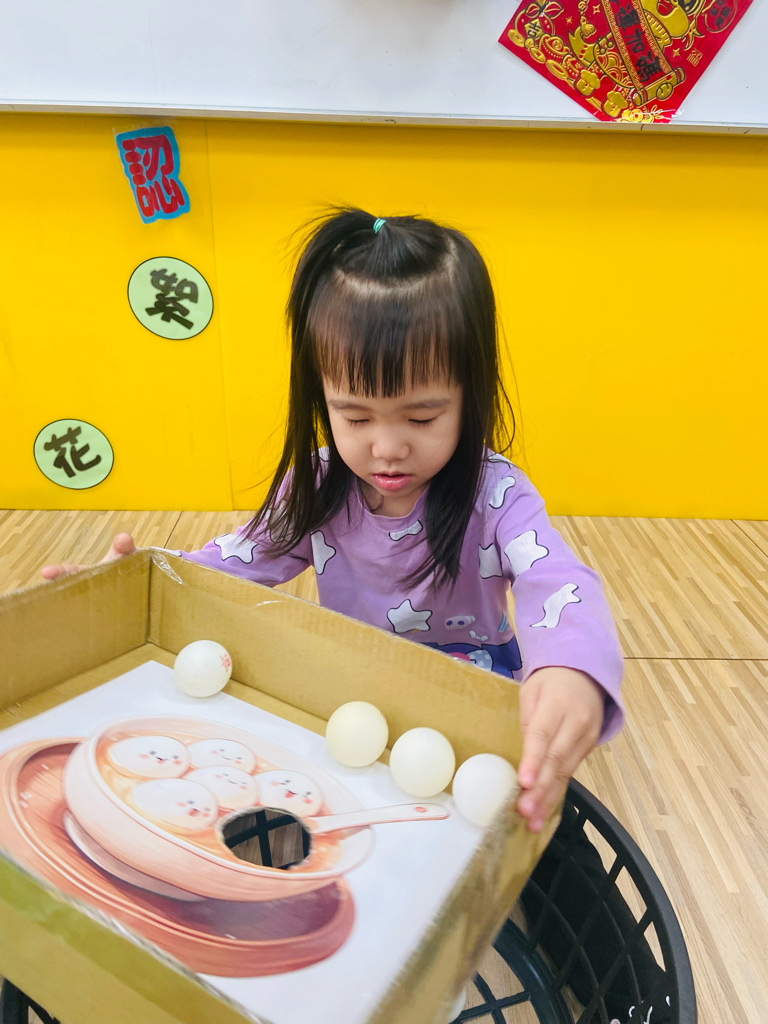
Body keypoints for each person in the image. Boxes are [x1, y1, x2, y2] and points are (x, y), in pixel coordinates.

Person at [42, 208, 668, 1023]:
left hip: (474, 718)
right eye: (355, 415)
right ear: (322, 399)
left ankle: (631, 999)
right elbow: (235, 563)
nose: (386, 448)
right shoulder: (316, 488)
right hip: (351, 715)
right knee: (354, 871)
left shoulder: (497, 494)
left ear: (471, 394)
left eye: (421, 417)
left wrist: (572, 667)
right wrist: (131, 583)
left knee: (543, 834)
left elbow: (557, 580)